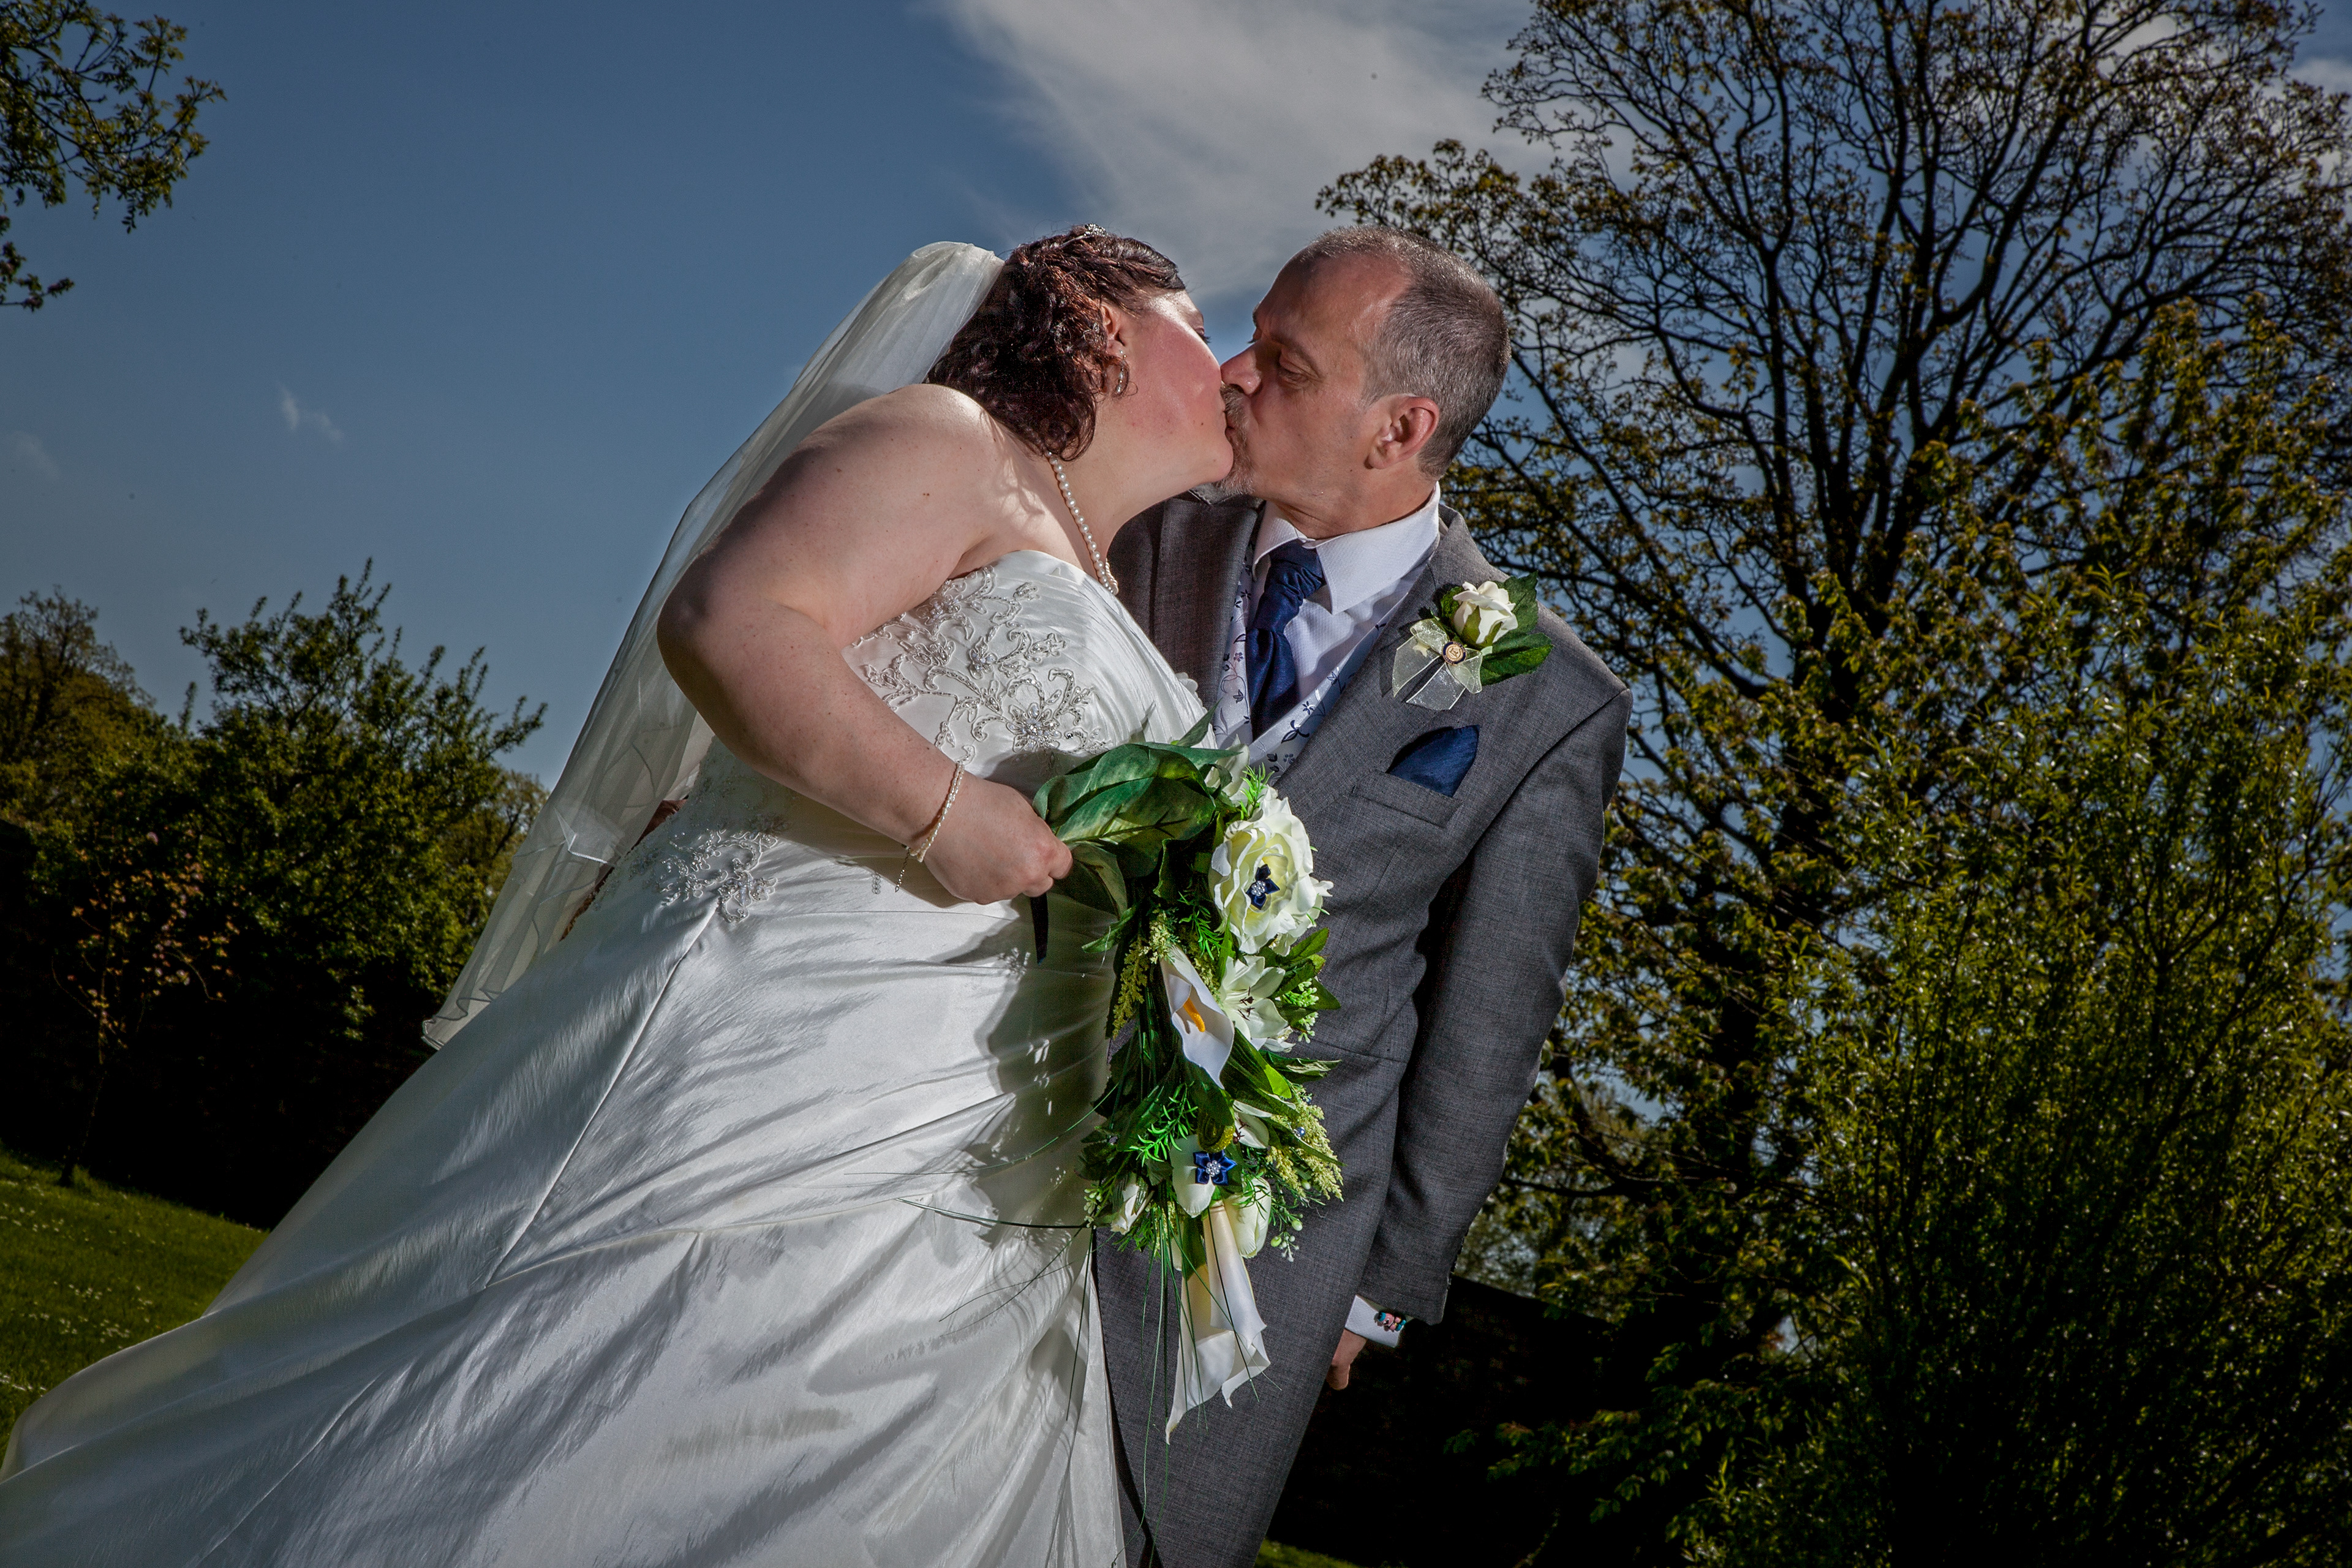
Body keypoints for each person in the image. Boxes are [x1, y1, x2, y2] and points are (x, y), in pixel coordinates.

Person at [0, 228, 1230, 1567]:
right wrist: (945, 811)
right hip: (768, 1039)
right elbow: (734, 617)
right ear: (1106, 334)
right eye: (1199, 321)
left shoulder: (1100, 567)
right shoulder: (949, 438)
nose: (1225, 361)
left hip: (977, 1115)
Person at [1098, 227, 1632, 1568]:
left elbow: (1490, 1010)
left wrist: (1389, 1280)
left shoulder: (1539, 694)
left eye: (1283, 360)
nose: (1230, 372)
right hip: (1000, 1119)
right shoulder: (1142, 523)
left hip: (1255, 1235)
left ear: (1401, 425)